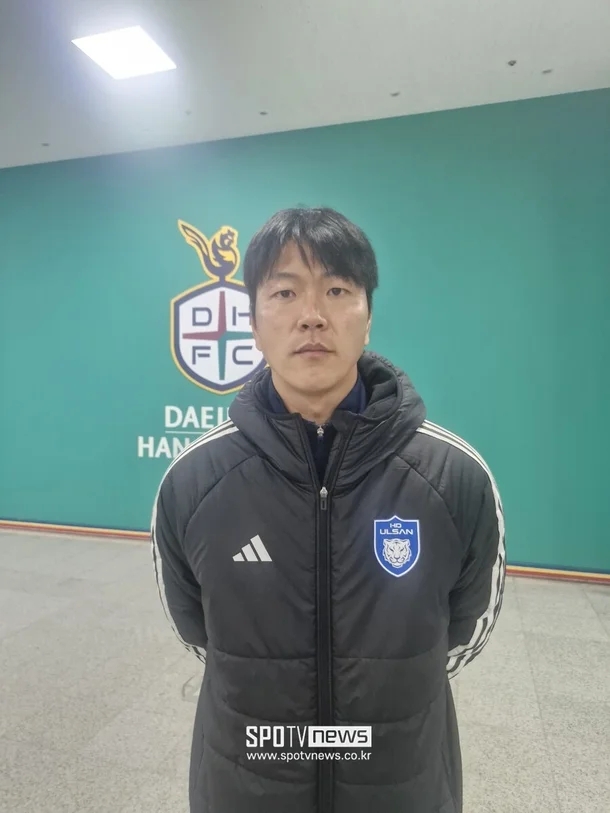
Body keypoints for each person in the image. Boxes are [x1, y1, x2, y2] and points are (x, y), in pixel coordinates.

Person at [151, 206, 506, 813]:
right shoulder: (193, 481)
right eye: (284, 292)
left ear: (367, 318)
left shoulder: (454, 476)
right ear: (253, 322)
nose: (312, 315)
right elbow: (197, 632)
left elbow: (465, 630)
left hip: (400, 776)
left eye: (337, 290)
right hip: (246, 778)